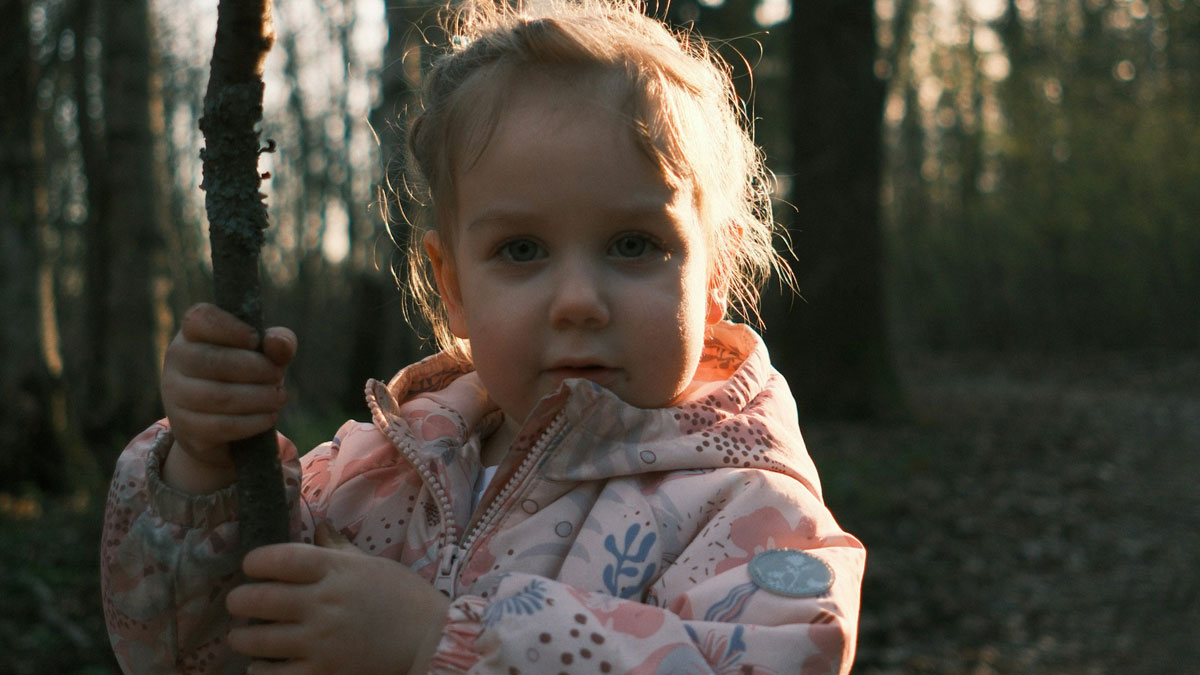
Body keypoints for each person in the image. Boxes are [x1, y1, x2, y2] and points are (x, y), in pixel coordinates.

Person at [101, 0, 865, 672]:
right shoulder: (371, 474)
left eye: (634, 244)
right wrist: (203, 470)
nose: (577, 301)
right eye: (522, 250)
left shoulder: (751, 511)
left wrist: (444, 642)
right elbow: (189, 651)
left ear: (712, 276)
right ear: (453, 286)